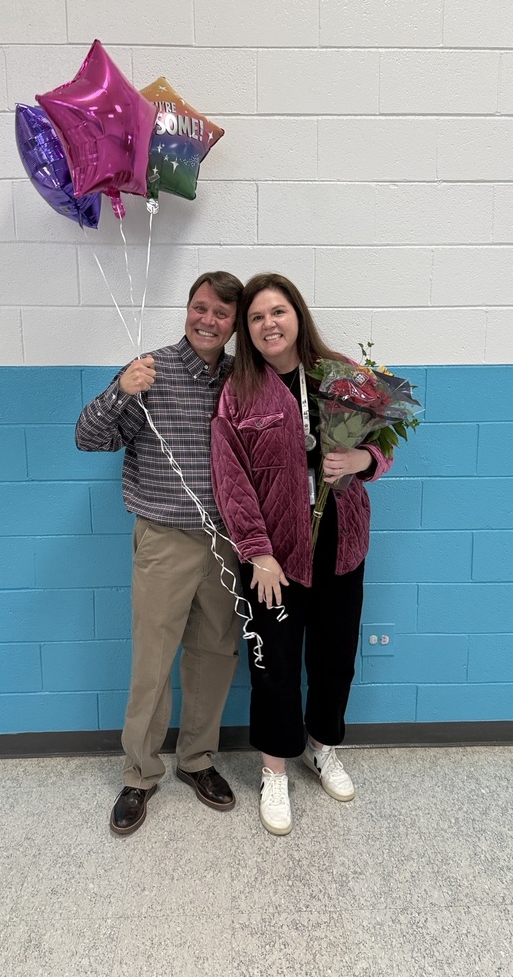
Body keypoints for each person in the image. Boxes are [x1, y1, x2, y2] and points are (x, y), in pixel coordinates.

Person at [210, 273, 392, 836]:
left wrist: (362, 462)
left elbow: (384, 444)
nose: (269, 323)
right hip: (275, 560)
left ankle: (322, 746)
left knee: (335, 657)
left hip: (341, 545)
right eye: (257, 317)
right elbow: (231, 481)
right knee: (276, 666)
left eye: (278, 311)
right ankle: (274, 770)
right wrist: (258, 553)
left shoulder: (340, 376)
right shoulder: (240, 392)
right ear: (247, 329)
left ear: (298, 315)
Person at [76, 271, 243, 835]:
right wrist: (121, 388)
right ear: (187, 310)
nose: (208, 321)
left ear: (234, 323)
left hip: (226, 540)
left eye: (222, 313)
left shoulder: (244, 380)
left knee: (215, 656)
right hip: (165, 539)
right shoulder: (148, 369)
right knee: (152, 663)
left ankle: (197, 761)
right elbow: (88, 437)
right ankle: (139, 774)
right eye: (200, 308)